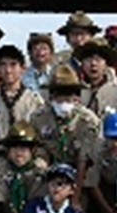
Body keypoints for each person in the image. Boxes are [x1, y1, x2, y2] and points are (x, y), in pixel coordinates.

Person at [29, 65, 101, 197]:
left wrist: (75, 195)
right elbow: (38, 150)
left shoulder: (88, 121)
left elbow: (84, 160)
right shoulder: (38, 119)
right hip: (49, 175)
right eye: (59, 96)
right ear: (51, 97)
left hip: (80, 175)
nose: (63, 101)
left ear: (76, 97)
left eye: (68, 96)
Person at [0, 44, 45, 139]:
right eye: (3, 65)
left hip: (23, 150)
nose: (8, 70)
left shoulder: (34, 99)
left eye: (13, 64)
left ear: (23, 68)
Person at [78, 37, 117, 117]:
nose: (93, 64)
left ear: (106, 64)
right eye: (88, 59)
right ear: (82, 64)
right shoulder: (76, 94)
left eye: (98, 60)